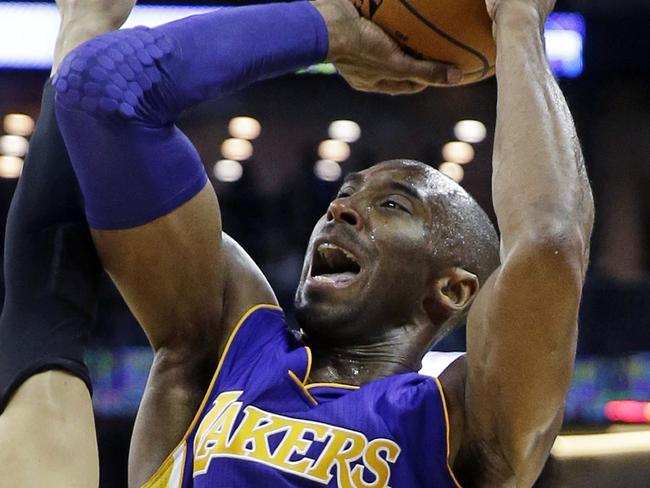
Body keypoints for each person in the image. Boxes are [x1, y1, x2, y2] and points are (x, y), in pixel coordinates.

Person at [0, 0, 594, 487]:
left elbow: (550, 242)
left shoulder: (462, 421)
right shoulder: (223, 346)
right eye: (346, 195)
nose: (341, 208)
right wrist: (326, 26)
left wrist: (517, 22)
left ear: (454, 288)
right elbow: (104, 90)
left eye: (391, 205)